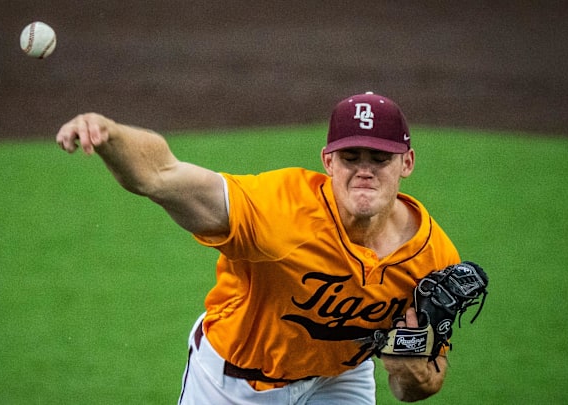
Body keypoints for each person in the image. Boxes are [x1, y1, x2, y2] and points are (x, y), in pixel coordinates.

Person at [56, 92, 460, 404]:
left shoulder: (434, 259)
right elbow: (162, 176)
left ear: (406, 163)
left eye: (380, 158)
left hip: (339, 377)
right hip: (235, 381)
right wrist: (110, 133)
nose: (365, 170)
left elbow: (412, 389)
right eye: (351, 157)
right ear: (328, 162)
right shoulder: (279, 211)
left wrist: (412, 371)